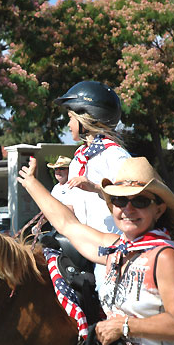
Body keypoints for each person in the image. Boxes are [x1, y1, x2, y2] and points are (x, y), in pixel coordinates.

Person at [18, 156, 174, 345]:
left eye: (140, 201)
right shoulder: (115, 250)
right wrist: (30, 182)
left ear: (159, 209)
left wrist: (123, 327)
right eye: (120, 200)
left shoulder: (163, 257)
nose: (128, 209)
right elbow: (67, 224)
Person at [54, 81, 131, 288]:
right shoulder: (78, 157)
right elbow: (72, 205)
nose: (68, 125)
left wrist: (96, 187)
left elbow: (130, 195)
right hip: (82, 245)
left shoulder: (114, 154)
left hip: (111, 248)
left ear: (85, 118)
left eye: (71, 118)